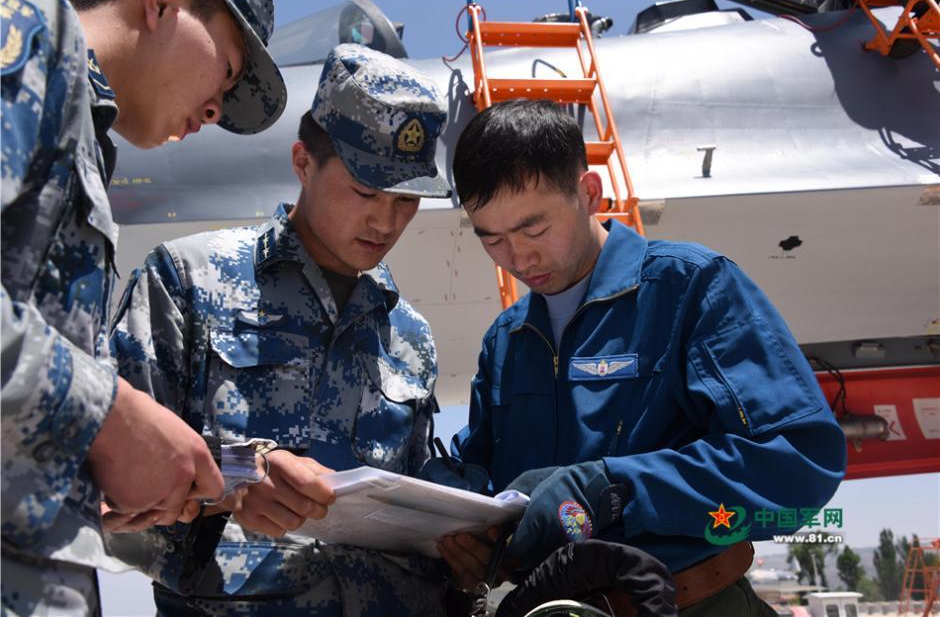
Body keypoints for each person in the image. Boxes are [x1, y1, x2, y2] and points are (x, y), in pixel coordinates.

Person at [439, 99, 847, 615]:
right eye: (492, 240)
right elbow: (484, 482)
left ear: (589, 194)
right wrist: (456, 519)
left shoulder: (691, 289)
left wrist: (616, 490)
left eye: (533, 230)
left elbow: (800, 467)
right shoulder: (505, 340)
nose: (518, 258)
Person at [107, 43, 453, 616]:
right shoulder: (187, 280)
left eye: (407, 200)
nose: (386, 221)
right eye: (366, 192)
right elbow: (104, 482)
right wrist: (234, 481)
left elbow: (409, 524)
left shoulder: (409, 337)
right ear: (303, 161)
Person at [1, 0, 286, 614]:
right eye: (228, 70)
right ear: (161, 1)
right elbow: (96, 407)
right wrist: (104, 415)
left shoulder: (85, 135)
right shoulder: (24, 37)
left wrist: (234, 471)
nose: (215, 109)